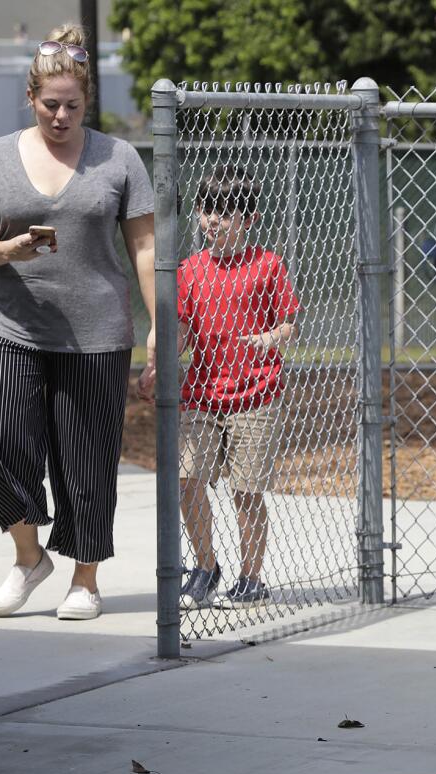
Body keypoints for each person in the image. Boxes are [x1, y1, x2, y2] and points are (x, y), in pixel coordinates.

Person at [0, 23, 156, 621]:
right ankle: (29, 557)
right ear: (31, 98)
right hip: (9, 322)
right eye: (50, 104)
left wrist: (160, 327)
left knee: (86, 457)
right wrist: (8, 251)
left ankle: (85, 579)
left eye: (72, 106)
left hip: (97, 331)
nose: (60, 116)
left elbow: (145, 249)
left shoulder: (120, 157)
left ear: (87, 103)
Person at [164, 166, 300, 609]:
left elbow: (289, 323)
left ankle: (251, 576)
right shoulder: (189, 270)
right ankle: (205, 566)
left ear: (249, 219)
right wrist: (171, 346)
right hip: (202, 393)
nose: (213, 221)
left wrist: (269, 339)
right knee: (186, 478)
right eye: (206, 210)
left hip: (254, 395)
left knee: (246, 491)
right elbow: (182, 326)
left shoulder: (268, 265)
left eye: (226, 212)